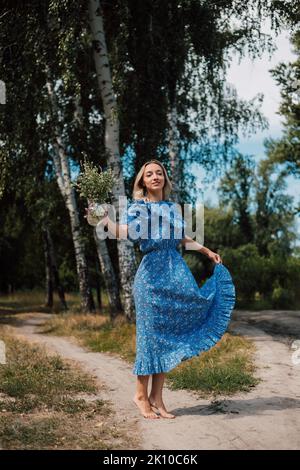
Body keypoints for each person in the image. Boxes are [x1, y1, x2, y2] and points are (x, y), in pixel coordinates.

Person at [87, 159, 235, 420]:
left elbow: (181, 237)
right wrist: (105, 220)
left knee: (168, 334)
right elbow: (123, 233)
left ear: (164, 179)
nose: (155, 177)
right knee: (150, 336)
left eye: (159, 173)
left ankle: (157, 397)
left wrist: (206, 250)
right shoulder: (138, 207)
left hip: (175, 274)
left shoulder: (172, 208)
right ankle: (140, 395)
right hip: (151, 278)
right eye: (149, 174)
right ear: (142, 181)